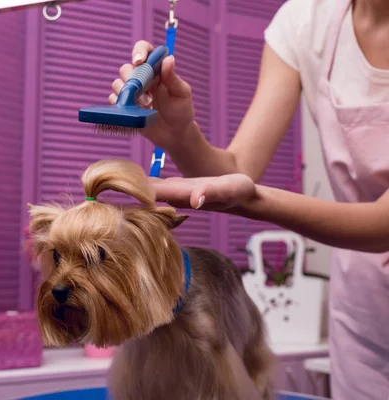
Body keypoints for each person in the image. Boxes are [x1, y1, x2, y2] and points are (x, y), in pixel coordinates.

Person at [109, 0, 389, 398]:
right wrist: (180, 134)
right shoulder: (305, 20)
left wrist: (253, 201)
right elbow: (238, 167)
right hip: (364, 318)